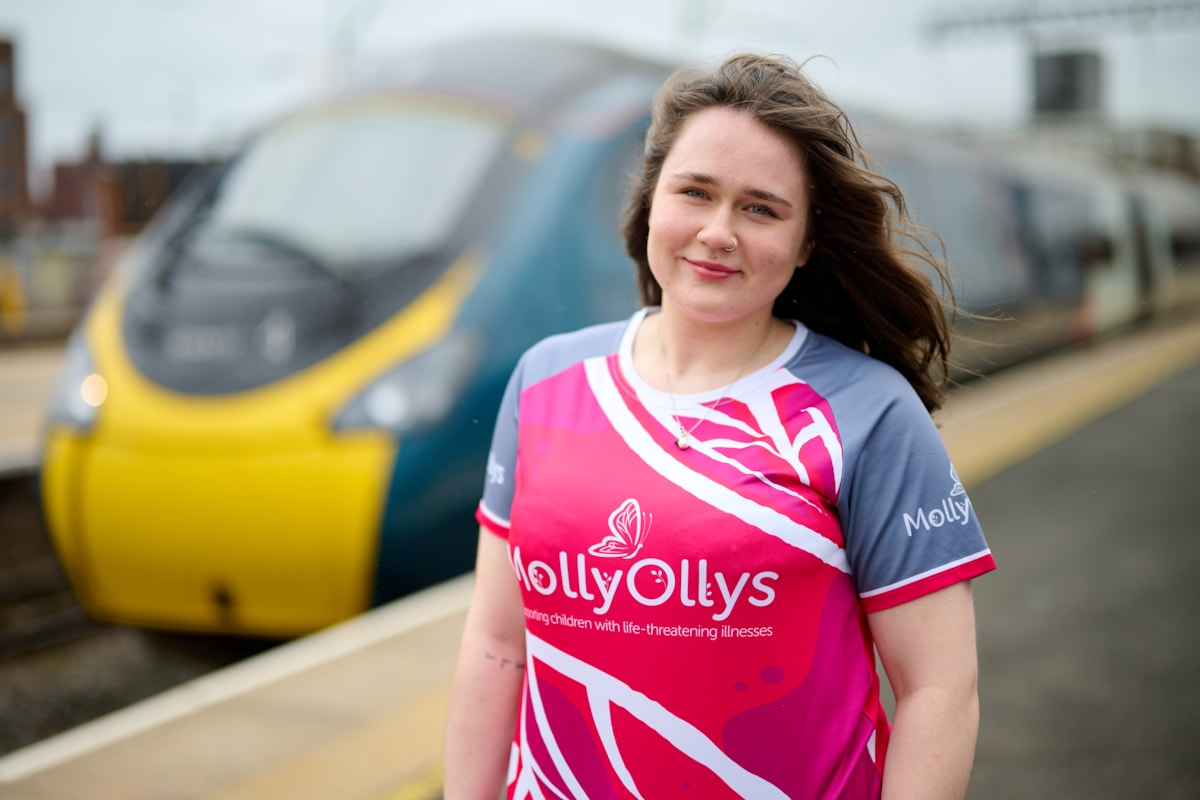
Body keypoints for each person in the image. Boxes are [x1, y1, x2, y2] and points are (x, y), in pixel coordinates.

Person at [445, 51, 996, 800]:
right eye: (695, 192)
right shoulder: (546, 382)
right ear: (651, 200)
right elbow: (496, 643)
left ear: (806, 243)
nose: (717, 231)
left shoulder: (868, 411)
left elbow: (938, 688)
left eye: (760, 208)